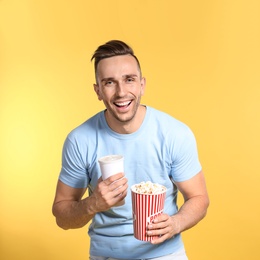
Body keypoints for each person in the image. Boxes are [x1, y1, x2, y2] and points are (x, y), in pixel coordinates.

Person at [52, 40, 209, 260]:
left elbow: (199, 198)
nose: (121, 92)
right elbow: (62, 215)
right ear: (98, 91)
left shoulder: (175, 133)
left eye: (129, 80)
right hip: (107, 255)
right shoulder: (80, 140)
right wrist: (92, 204)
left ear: (142, 84)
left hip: (166, 253)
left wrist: (175, 223)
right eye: (109, 82)